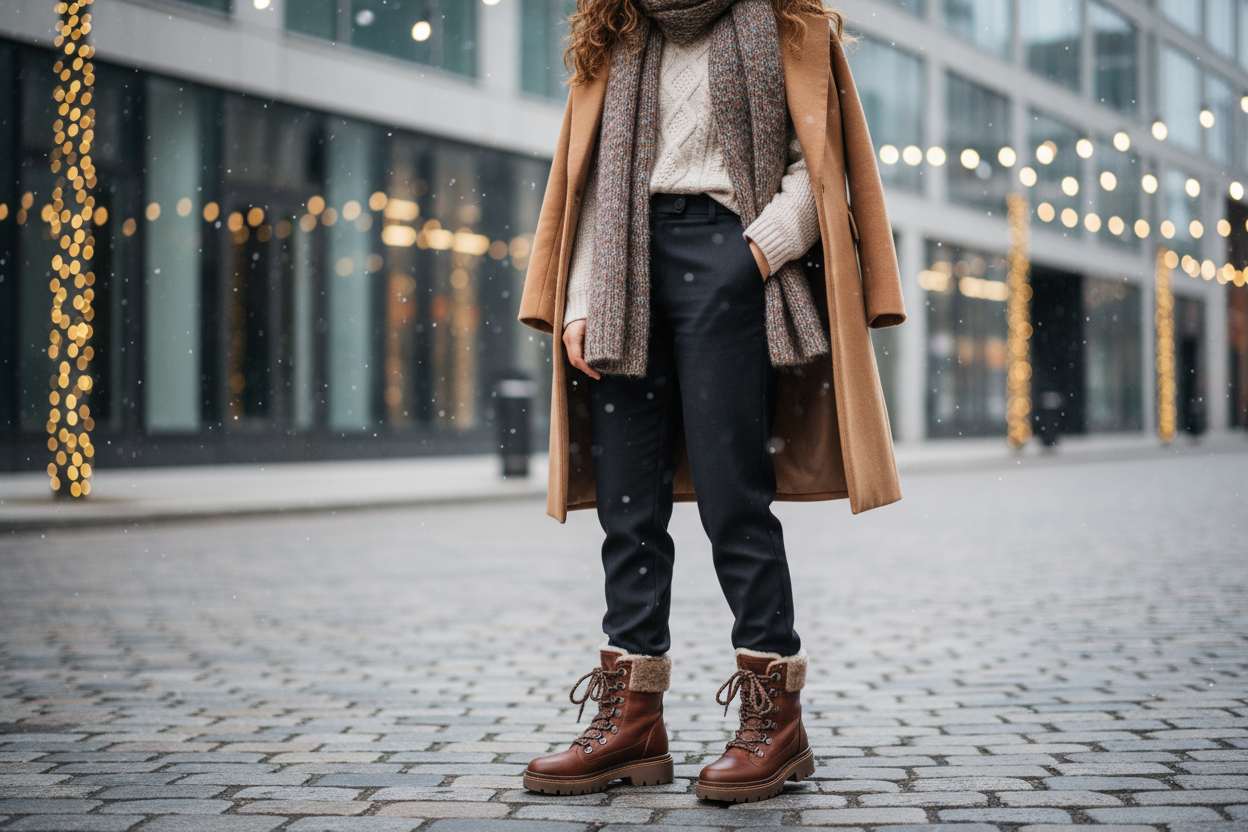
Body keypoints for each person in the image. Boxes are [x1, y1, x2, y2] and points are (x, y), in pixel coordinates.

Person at [516, 0, 906, 804]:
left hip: (732, 258)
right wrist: (583, 294)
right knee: (628, 507)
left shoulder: (790, 24)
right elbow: (589, 179)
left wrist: (754, 254)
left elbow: (818, 165)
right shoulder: (616, 29)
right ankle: (633, 721)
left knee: (736, 499)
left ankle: (775, 717)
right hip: (627, 265)